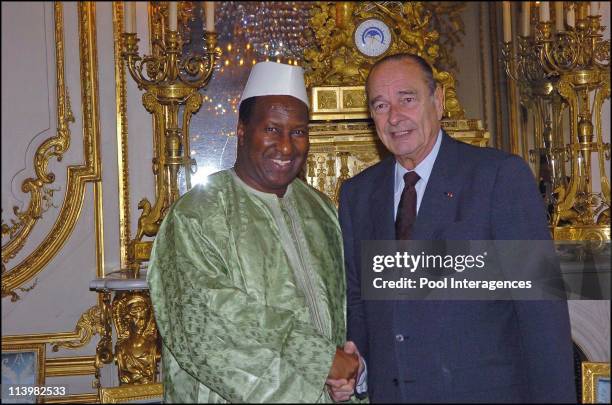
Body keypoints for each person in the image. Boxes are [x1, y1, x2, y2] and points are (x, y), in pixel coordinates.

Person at [337, 53, 576, 402]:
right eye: (380, 105)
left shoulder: (498, 178)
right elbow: (360, 301)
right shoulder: (359, 194)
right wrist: (357, 365)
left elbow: (541, 313)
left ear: (437, 101)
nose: (394, 117)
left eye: (407, 99)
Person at [147, 61, 358, 403]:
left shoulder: (320, 210)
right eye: (272, 129)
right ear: (242, 131)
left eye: (299, 131)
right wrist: (321, 365)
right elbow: (204, 331)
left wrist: (349, 373)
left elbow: (344, 308)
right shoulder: (197, 215)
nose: (287, 147)